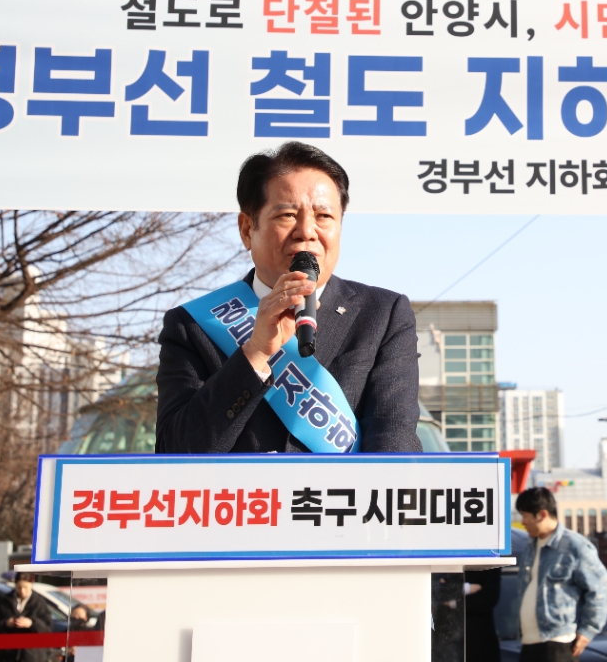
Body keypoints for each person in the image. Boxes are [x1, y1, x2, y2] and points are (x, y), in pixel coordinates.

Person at [156, 142, 421, 454]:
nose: (306, 231)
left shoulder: (383, 315)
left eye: (324, 215)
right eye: (287, 215)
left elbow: (394, 441)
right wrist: (255, 352)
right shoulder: (194, 325)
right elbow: (174, 452)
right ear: (247, 229)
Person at [514, 487, 607, 661]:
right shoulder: (530, 547)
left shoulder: (575, 546)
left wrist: (588, 631)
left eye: (525, 515)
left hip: (558, 644)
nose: (523, 522)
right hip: (529, 643)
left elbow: (601, 588)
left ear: (542, 514)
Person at [0, 572, 53, 662]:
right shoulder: (5, 602)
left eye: (25, 587)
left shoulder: (39, 603)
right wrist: (6, 624)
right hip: (7, 654)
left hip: (33, 656)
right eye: (19, 587)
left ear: (32, 584)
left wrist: (31, 623)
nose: (22, 591)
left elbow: (48, 629)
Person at [464, 567, 502, 662]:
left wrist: (453, 602)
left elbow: (488, 598)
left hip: (481, 642)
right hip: (447, 640)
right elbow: (439, 589)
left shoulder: (490, 562)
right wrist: (467, 588)